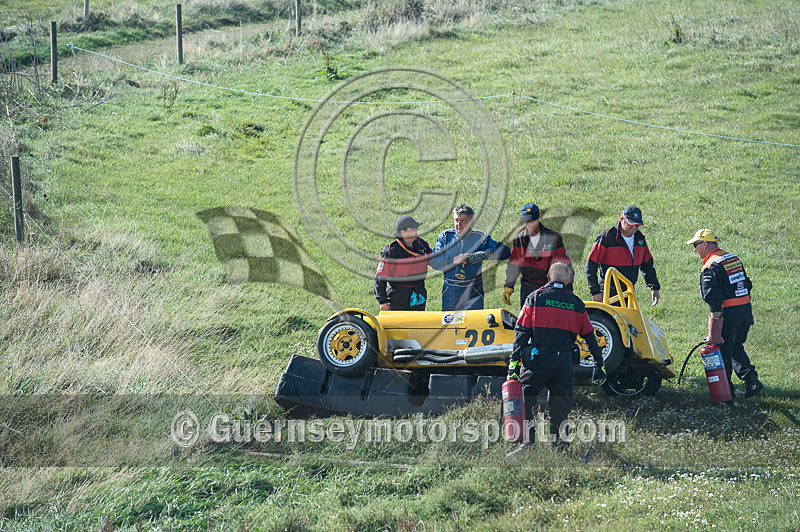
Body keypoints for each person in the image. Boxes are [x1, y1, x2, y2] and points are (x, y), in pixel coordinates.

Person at [507, 262, 604, 446]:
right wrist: (600, 365)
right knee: (560, 407)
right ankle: (559, 445)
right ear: (568, 280)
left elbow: (521, 332)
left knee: (526, 397)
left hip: (539, 360)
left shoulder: (535, 298)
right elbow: (591, 338)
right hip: (565, 362)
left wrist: (513, 363)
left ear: (548, 277)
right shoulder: (577, 304)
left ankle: (528, 441)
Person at [686, 229, 763, 398]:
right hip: (744, 309)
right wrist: (748, 312)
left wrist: (715, 326)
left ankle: (726, 395)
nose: (694, 249)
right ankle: (752, 380)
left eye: (695, 245)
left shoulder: (710, 266)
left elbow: (713, 297)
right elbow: (746, 284)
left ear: (705, 244)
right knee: (736, 346)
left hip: (729, 313)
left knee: (723, 352)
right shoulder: (732, 258)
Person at [430, 203, 511, 311]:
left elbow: (506, 251)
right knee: (449, 326)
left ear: (472, 221)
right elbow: (434, 261)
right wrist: (454, 260)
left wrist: (485, 254)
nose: (459, 224)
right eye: (456, 220)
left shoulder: (480, 238)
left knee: (473, 325)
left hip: (474, 291)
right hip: (451, 291)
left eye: (463, 220)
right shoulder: (445, 237)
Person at [585, 205, 661, 306]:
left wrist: (654, 288)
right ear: (622, 220)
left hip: (629, 293)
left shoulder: (640, 239)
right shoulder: (606, 238)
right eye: (631, 224)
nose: (634, 228)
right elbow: (590, 265)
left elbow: (647, 265)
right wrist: (595, 292)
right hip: (608, 293)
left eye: (637, 225)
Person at [503, 202, 571, 307]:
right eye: (527, 221)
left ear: (538, 219)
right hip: (527, 287)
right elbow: (514, 263)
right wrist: (509, 286)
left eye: (532, 221)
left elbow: (562, 264)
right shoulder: (519, 238)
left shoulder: (553, 238)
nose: (530, 225)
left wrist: (566, 289)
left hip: (547, 287)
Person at [374, 215, 432, 311]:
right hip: (397, 298)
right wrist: (382, 301)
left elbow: (434, 259)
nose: (416, 229)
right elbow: (380, 277)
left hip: (418, 296)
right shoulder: (391, 251)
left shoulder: (422, 245)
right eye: (413, 228)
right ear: (403, 232)